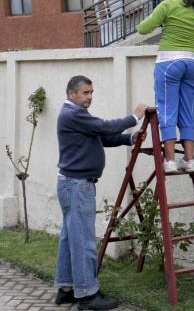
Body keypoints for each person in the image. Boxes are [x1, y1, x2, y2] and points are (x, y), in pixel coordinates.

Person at [54, 75, 147, 310]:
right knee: (83, 241)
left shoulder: (75, 115)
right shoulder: (73, 114)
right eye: (85, 93)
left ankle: (66, 290)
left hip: (72, 184)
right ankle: (87, 296)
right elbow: (104, 127)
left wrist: (128, 138)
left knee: (70, 238)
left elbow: (100, 136)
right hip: (77, 186)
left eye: (91, 92)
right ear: (71, 94)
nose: (89, 97)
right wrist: (134, 118)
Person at [138, 0, 194, 174]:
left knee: (167, 109)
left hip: (169, 62)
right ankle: (189, 159)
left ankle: (170, 161)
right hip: (192, 63)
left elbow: (143, 29)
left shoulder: (168, 5)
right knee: (188, 110)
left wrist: (164, 22)